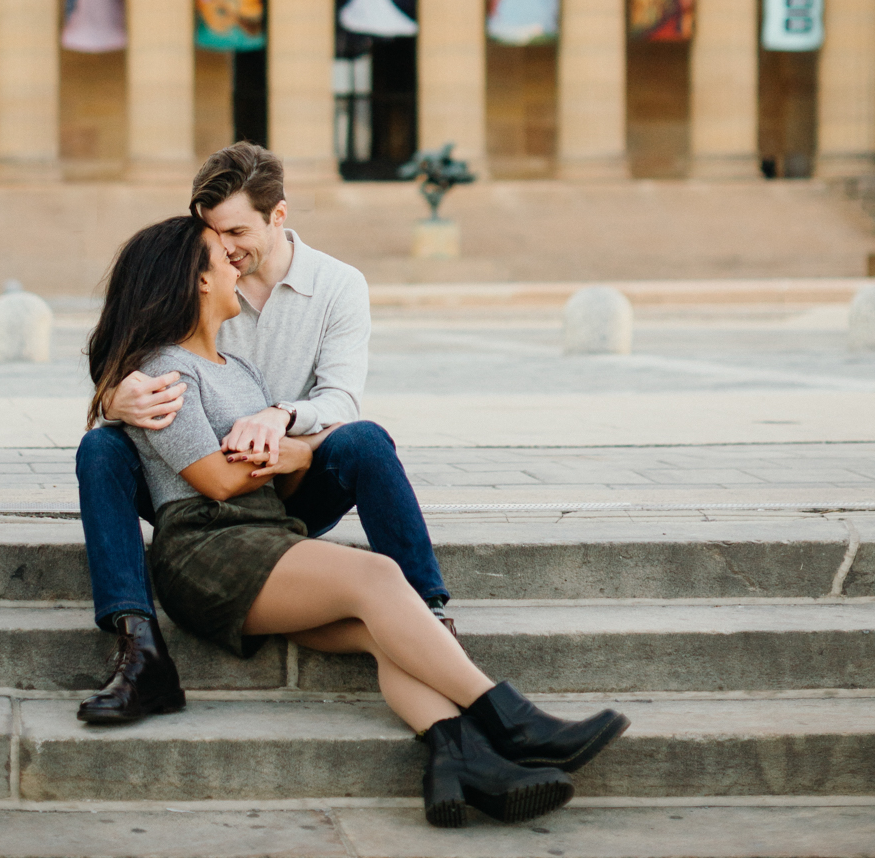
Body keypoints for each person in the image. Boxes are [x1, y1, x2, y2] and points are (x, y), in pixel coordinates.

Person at [83, 214, 629, 827]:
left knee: (383, 635)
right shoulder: (163, 370)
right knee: (376, 577)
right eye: (220, 256)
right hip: (207, 548)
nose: (235, 265)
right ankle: (511, 720)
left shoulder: (239, 372)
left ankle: (460, 759)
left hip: (264, 539)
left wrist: (292, 451)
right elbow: (214, 479)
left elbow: (284, 470)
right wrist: (278, 454)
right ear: (195, 280)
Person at [74, 142, 456, 722]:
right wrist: (113, 395)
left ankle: (428, 611)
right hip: (194, 484)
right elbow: (138, 340)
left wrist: (282, 420)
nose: (223, 249)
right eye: (211, 234)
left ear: (278, 215)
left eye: (235, 231)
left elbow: (341, 397)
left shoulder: (338, 285)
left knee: (366, 440)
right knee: (100, 447)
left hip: (284, 479)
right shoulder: (199, 280)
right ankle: (138, 645)